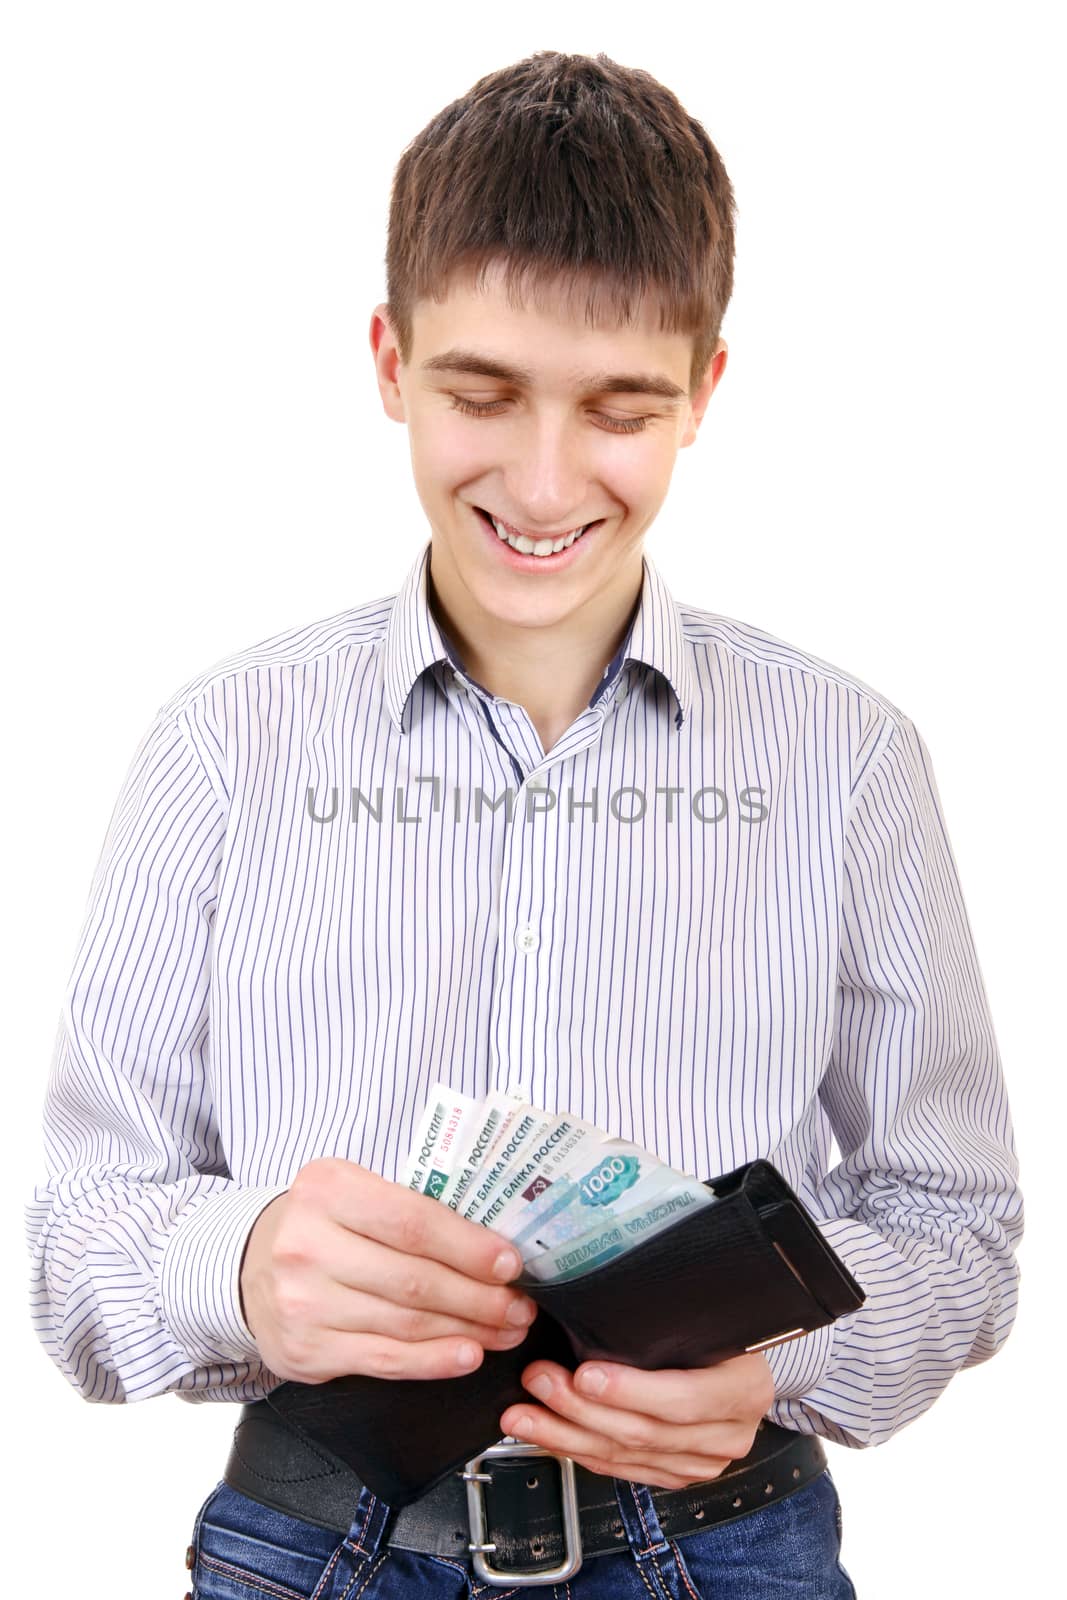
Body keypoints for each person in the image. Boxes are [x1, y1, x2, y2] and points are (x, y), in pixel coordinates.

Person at [24, 50, 1023, 1600]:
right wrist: (239, 1271)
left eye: (620, 407)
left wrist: (775, 1363)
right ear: (386, 361)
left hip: (725, 1552)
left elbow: (960, 1232)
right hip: (317, 1545)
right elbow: (82, 1236)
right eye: (479, 393)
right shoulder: (222, 748)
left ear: (705, 390)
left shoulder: (851, 764)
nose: (545, 481)